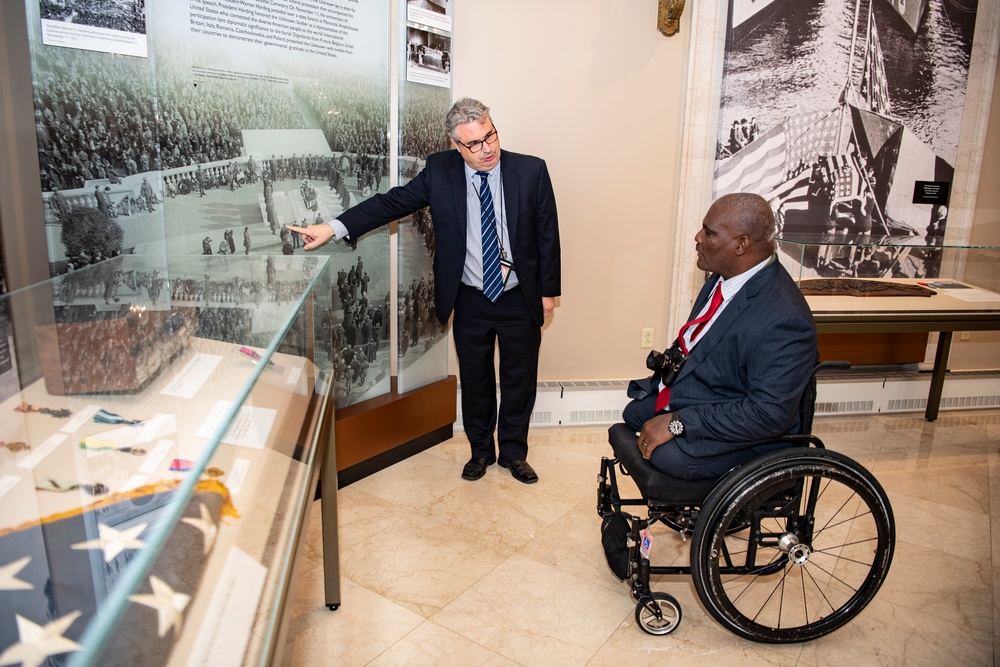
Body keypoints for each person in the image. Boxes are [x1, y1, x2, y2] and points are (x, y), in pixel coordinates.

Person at [289, 97, 561, 484]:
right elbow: (390, 203)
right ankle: (481, 452)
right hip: (470, 296)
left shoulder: (531, 171)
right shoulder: (439, 171)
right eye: (474, 144)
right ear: (456, 145)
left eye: (490, 137)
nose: (487, 150)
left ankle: (514, 453)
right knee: (476, 379)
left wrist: (548, 293)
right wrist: (333, 227)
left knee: (520, 380)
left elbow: (547, 235)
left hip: (519, 294)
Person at [623, 193, 818, 481]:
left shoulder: (785, 319)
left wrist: (679, 422)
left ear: (741, 245)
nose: (697, 237)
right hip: (709, 395)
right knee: (634, 413)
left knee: (664, 454)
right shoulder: (721, 279)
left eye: (709, 232)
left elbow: (767, 414)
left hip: (751, 432)